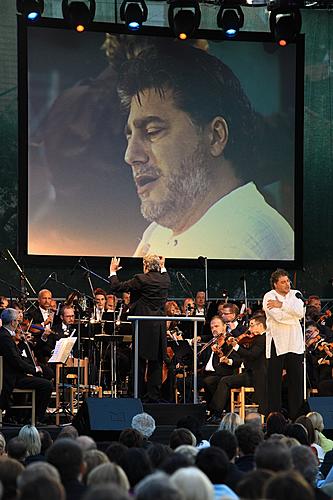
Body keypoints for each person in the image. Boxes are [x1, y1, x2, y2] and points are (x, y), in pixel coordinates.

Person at [117, 41, 294, 259]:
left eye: (152, 131)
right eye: (129, 135)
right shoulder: (161, 231)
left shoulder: (238, 242)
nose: (130, 155)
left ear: (216, 136)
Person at [109, 254, 170, 402]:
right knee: (156, 361)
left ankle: (136, 394)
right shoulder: (165, 279)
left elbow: (117, 287)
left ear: (146, 266)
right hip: (159, 325)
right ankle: (153, 396)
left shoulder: (141, 279)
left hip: (143, 324)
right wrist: (162, 265)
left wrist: (113, 271)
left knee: (139, 360)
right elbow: (163, 272)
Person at [263, 269, 305, 420]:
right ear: (275, 284)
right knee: (274, 381)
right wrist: (291, 312)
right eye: (283, 282)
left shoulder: (296, 294)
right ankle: (274, 417)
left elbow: (300, 313)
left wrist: (281, 304)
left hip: (294, 342)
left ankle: (297, 416)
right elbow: (279, 317)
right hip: (277, 341)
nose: (287, 284)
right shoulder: (269, 296)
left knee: (296, 380)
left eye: (288, 281)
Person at [206, 314, 267, 415]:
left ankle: (216, 412)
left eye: (252, 325)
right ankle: (215, 411)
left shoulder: (262, 339)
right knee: (221, 381)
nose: (249, 329)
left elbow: (251, 355)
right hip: (250, 373)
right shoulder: (255, 339)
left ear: (260, 325)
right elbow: (244, 357)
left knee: (225, 381)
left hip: (256, 376)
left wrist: (236, 346)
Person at [0, 308, 52, 423]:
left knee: (45, 376)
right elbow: (16, 361)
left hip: (14, 374)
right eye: (17, 322)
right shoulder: (5, 338)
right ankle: (35, 418)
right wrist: (34, 369)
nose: (18, 324)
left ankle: (26, 416)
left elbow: (17, 358)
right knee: (46, 385)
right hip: (12, 378)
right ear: (13, 322)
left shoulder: (5, 335)